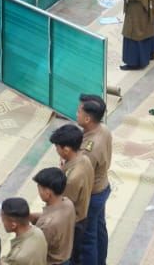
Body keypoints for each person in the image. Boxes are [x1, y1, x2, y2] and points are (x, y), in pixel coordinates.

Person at [48, 124, 92, 260]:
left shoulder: (71, 179)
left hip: (74, 222)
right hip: (83, 213)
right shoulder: (84, 158)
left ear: (66, 149)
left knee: (69, 256)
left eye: (57, 147)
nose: (56, 150)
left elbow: (65, 206)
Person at [76, 94, 111, 265]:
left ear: (88, 118)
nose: (76, 113)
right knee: (99, 229)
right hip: (103, 186)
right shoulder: (102, 128)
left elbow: (81, 179)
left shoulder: (89, 149)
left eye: (79, 111)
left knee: (87, 241)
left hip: (92, 195)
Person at [31, 167, 75, 265]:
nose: (39, 193)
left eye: (39, 189)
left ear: (48, 193)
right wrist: (31, 217)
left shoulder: (47, 226)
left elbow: (36, 250)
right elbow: (50, 216)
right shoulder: (68, 203)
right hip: (66, 256)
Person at [0, 197, 48, 265]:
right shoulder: (38, 232)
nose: (2, 222)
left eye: (3, 219)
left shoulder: (17, 258)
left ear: (13, 225)